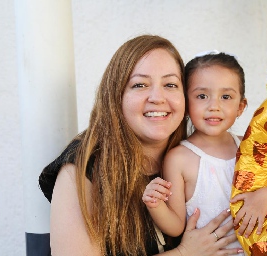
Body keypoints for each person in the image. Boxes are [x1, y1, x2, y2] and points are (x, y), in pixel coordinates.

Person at [38, 35, 242, 256]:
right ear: (116, 96)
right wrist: (185, 253)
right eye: (140, 84)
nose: (157, 97)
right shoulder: (82, 168)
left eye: (170, 84)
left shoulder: (196, 156)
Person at [142, 52, 267, 254]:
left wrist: (265, 195)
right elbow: (176, 226)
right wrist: (155, 205)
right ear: (186, 104)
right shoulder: (179, 158)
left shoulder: (248, 146)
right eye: (202, 96)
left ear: (241, 106)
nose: (214, 106)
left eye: (226, 97)